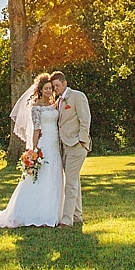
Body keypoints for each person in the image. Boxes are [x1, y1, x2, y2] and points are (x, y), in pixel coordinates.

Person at [0, 73, 64, 228]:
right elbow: (36, 130)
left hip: (55, 144)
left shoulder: (55, 104)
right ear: (40, 90)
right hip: (45, 143)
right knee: (41, 176)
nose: (49, 91)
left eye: (51, 88)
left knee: (54, 175)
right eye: (46, 88)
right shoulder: (36, 108)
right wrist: (34, 150)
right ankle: (35, 212)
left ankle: (55, 211)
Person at [50, 70, 91, 227]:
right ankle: (77, 215)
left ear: (64, 83)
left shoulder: (77, 96)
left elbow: (85, 119)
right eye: (54, 87)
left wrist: (82, 140)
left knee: (71, 183)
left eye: (57, 85)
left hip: (76, 145)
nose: (56, 89)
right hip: (64, 147)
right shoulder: (59, 101)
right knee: (74, 181)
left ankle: (67, 220)